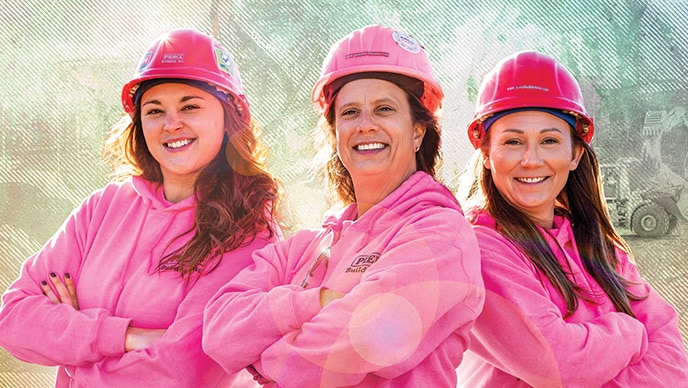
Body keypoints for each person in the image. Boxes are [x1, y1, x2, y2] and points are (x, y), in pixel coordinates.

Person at [202, 25, 484, 387]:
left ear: (418, 131)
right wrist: (314, 302)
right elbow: (219, 332)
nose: (365, 125)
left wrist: (259, 354)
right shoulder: (305, 247)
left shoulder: (442, 237)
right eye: (350, 113)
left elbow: (361, 341)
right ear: (334, 133)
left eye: (384, 109)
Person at [0, 28, 281, 387]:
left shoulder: (250, 233)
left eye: (190, 106)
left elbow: (180, 371)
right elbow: (13, 318)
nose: (171, 123)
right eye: (154, 110)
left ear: (229, 117)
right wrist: (126, 336)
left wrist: (72, 350)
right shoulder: (102, 209)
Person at [455, 50, 688, 387]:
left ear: (575, 154)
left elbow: (673, 359)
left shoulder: (599, 246)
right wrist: (631, 330)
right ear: (487, 153)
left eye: (549, 140)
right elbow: (559, 364)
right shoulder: (479, 248)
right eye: (513, 141)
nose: (531, 160)